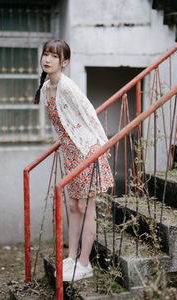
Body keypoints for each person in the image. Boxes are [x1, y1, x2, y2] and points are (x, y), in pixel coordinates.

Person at [34, 39, 114, 281]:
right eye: (46, 54)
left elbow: (89, 114)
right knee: (73, 206)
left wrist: (102, 147)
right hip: (71, 152)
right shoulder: (48, 86)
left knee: (85, 207)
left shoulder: (67, 86)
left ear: (64, 62)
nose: (48, 60)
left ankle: (84, 263)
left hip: (85, 150)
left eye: (54, 56)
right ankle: (72, 259)